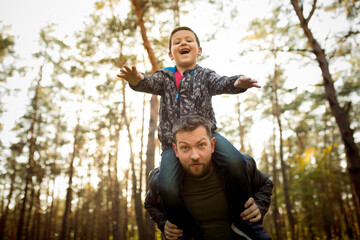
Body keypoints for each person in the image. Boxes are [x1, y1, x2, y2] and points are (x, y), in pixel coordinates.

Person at [117, 26, 264, 236]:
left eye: (188, 41)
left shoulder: (205, 76)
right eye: (177, 42)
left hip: (207, 136)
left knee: (235, 161)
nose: (183, 44)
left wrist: (237, 82)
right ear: (171, 54)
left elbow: (223, 82)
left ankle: (241, 217)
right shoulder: (165, 78)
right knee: (166, 186)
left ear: (199, 50)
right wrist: (135, 80)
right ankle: (190, 230)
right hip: (172, 144)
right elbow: (146, 82)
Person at [145, 115, 273, 239]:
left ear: (212, 145)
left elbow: (265, 184)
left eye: (201, 145)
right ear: (176, 150)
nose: (194, 156)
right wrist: (163, 223)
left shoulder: (240, 168)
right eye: (185, 147)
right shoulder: (163, 182)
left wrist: (259, 205)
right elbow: (150, 203)